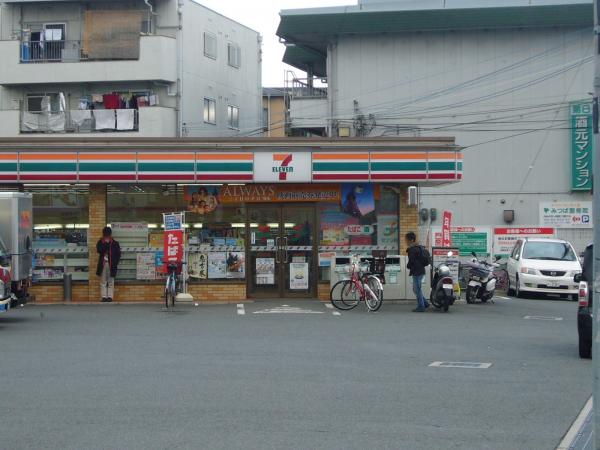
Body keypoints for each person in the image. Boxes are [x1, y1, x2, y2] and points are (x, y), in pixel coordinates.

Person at [96, 226, 121, 303]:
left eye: (107, 234)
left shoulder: (115, 243)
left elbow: (118, 254)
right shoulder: (100, 242)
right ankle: (104, 297)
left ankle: (110, 297)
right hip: (103, 264)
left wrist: (115, 263)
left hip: (112, 264)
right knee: (103, 281)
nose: (107, 236)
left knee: (111, 281)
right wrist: (105, 244)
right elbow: (99, 250)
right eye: (105, 235)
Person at [406, 231, 429, 312]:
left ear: (411, 240)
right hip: (421, 270)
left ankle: (421, 306)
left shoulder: (412, 249)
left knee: (417, 289)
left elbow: (411, 261)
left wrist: (408, 266)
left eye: (407, 239)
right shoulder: (418, 247)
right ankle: (425, 303)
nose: (406, 241)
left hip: (416, 271)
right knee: (416, 289)